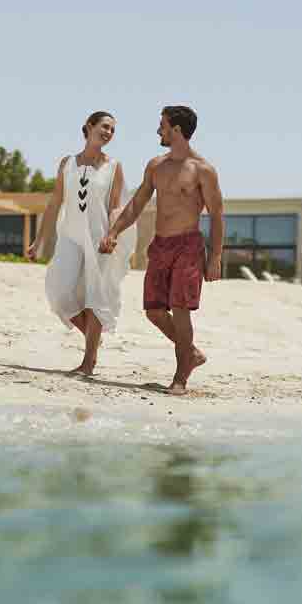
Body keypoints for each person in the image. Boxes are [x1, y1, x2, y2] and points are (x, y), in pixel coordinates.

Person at [100, 105, 223, 395]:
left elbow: (217, 214)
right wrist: (115, 231)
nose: (159, 130)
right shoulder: (156, 165)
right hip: (160, 245)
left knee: (180, 310)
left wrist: (215, 257)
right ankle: (190, 352)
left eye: (163, 126)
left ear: (177, 130)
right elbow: (137, 203)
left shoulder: (203, 170)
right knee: (154, 311)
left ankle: (180, 377)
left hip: (188, 247)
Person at [26, 111, 128, 376]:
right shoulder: (67, 163)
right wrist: (39, 241)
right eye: (104, 127)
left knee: (95, 297)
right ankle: (93, 339)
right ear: (89, 127)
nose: (108, 133)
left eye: (112, 130)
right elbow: (54, 203)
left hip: (100, 239)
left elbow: (116, 206)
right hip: (69, 237)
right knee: (59, 294)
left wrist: (113, 233)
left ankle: (89, 361)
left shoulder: (113, 166)